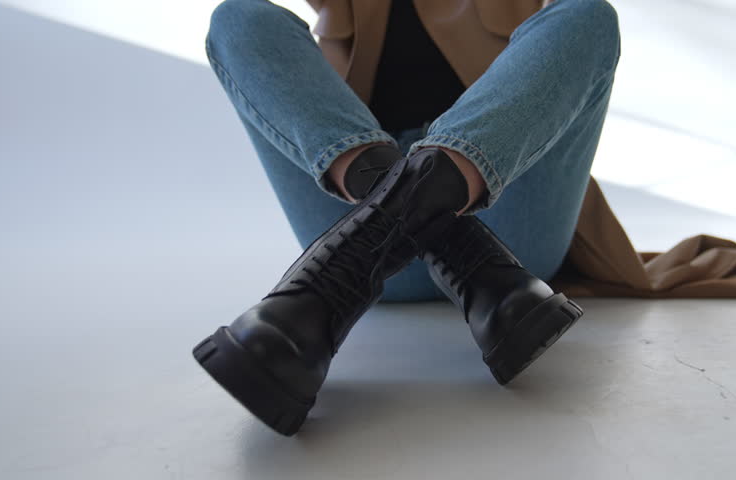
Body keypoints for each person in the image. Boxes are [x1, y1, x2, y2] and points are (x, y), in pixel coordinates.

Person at [192, 0, 621, 436]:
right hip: (493, 278)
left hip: (506, 214)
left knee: (586, 14)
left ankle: (320, 299)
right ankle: (468, 256)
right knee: (240, 18)